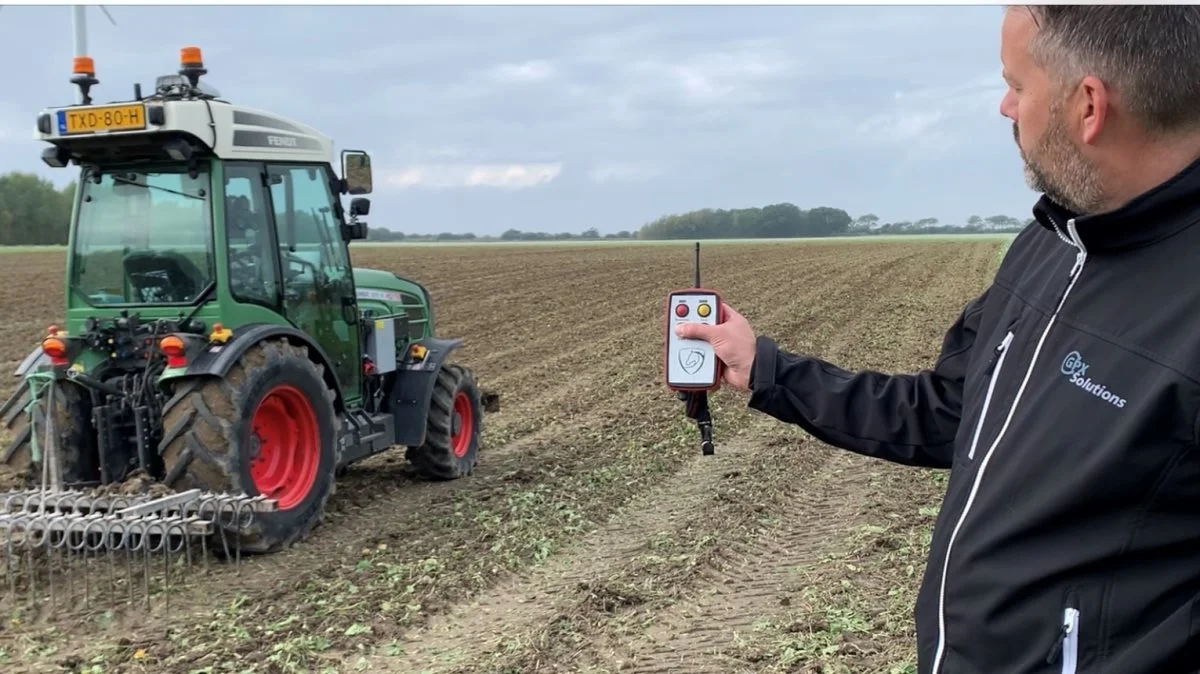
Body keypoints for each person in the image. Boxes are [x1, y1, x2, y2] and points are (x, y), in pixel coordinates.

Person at [676, 6, 1200, 673]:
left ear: (1088, 106)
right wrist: (767, 371)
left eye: (1017, 83)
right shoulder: (1049, 247)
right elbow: (951, 412)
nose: (1005, 106)